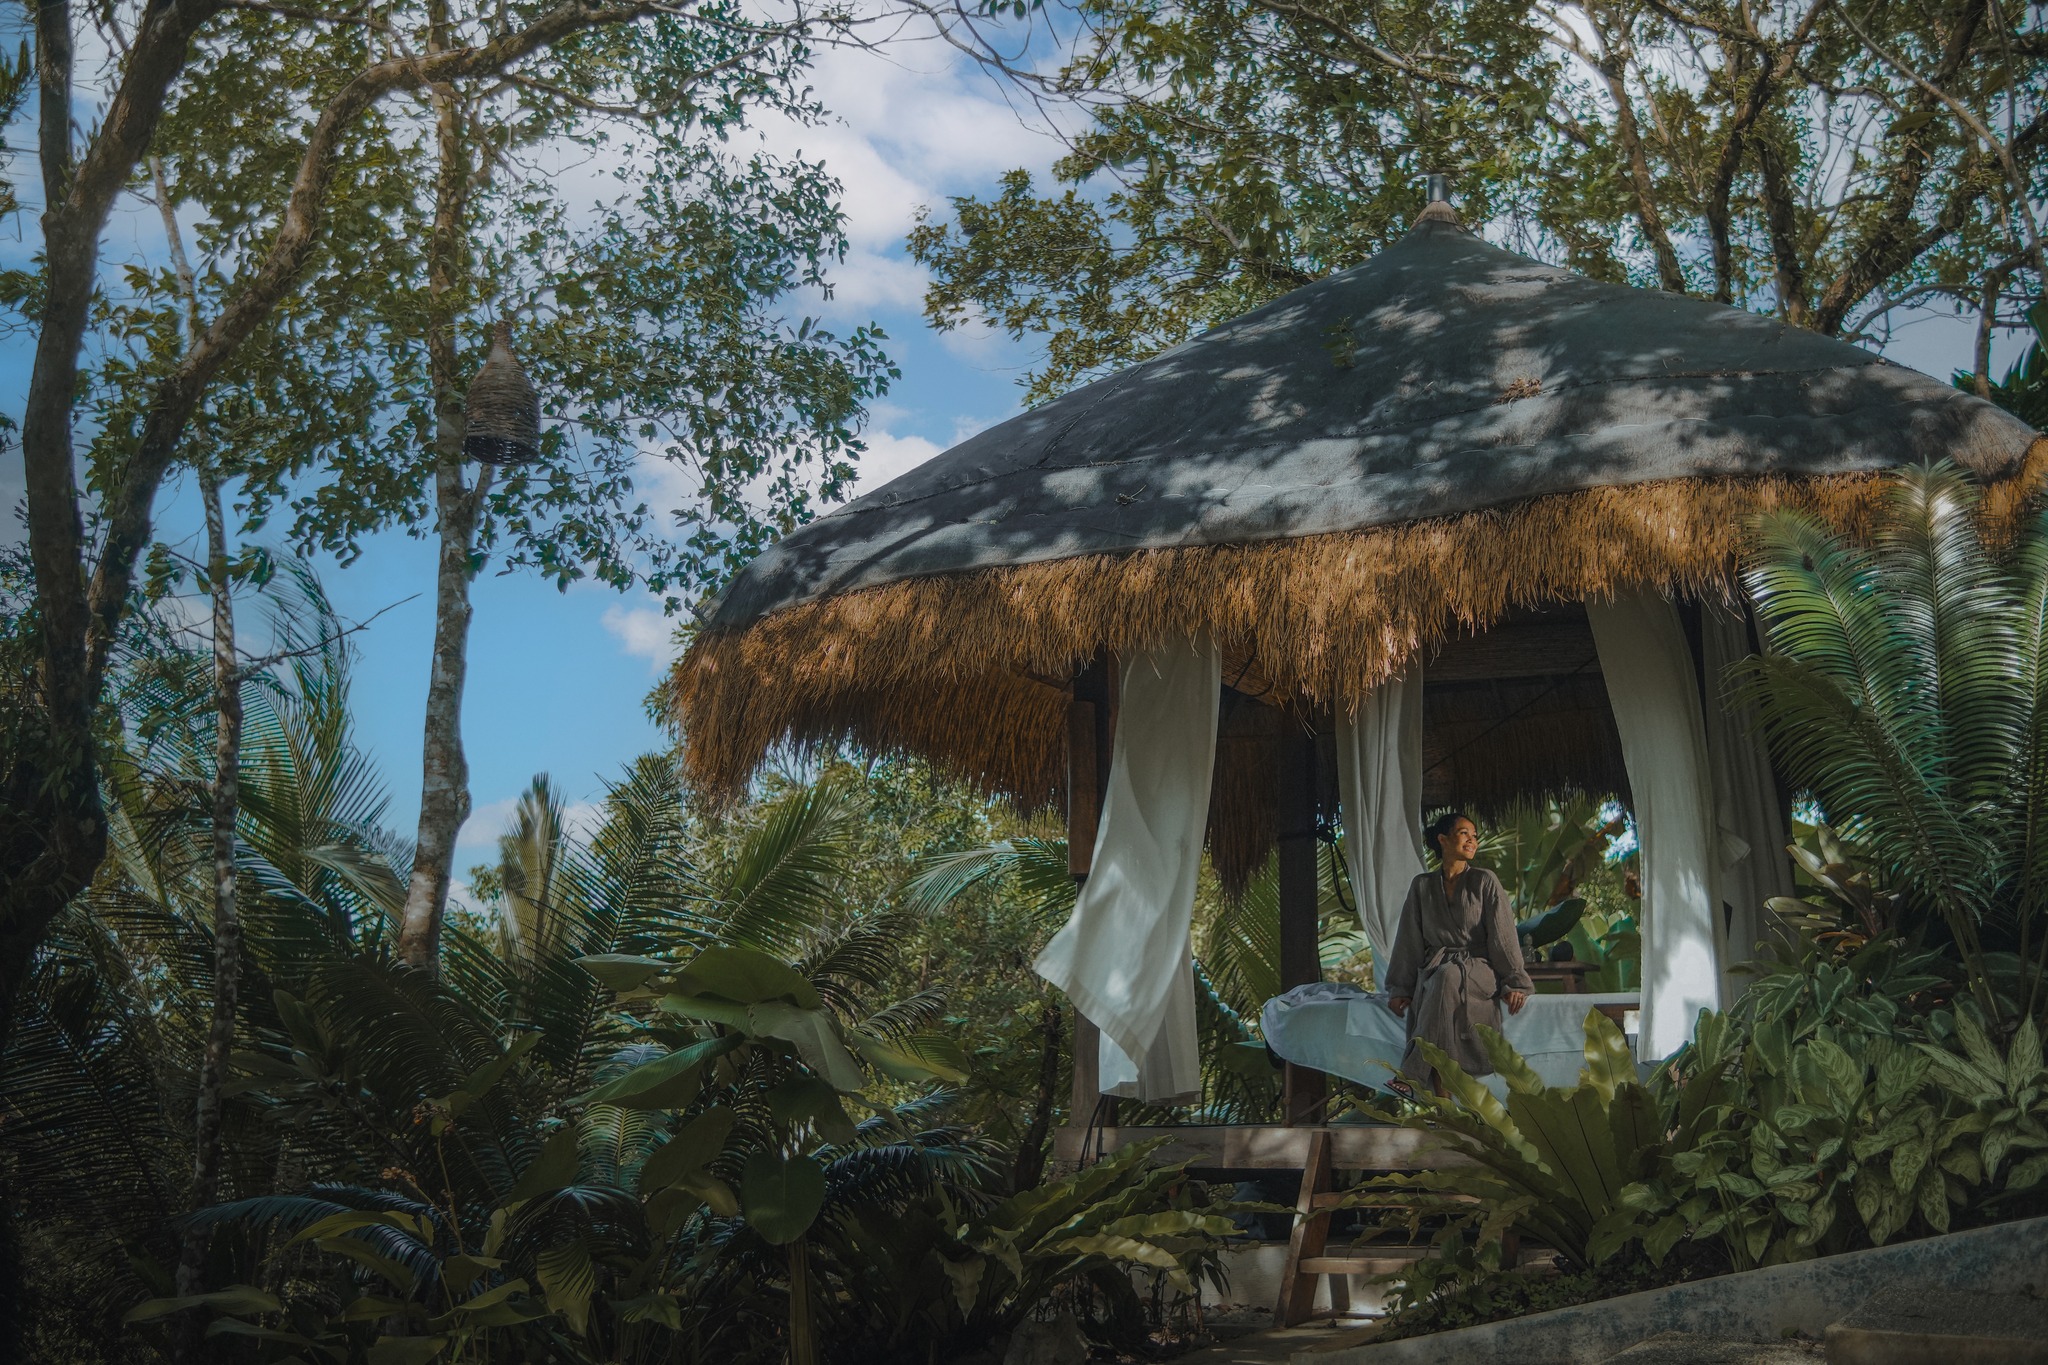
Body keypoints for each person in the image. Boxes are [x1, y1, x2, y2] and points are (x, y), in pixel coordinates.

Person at [1384, 811, 1533, 1093]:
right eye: (1464, 833)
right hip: (1439, 966)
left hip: (1480, 968)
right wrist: (1400, 988)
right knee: (1443, 980)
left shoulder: (1484, 880)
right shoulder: (1422, 885)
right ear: (1443, 839)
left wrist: (1515, 982)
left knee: (1446, 976)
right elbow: (1408, 939)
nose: (1472, 840)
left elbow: (1503, 936)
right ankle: (1444, 1106)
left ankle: (1411, 1074)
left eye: (1475, 836)